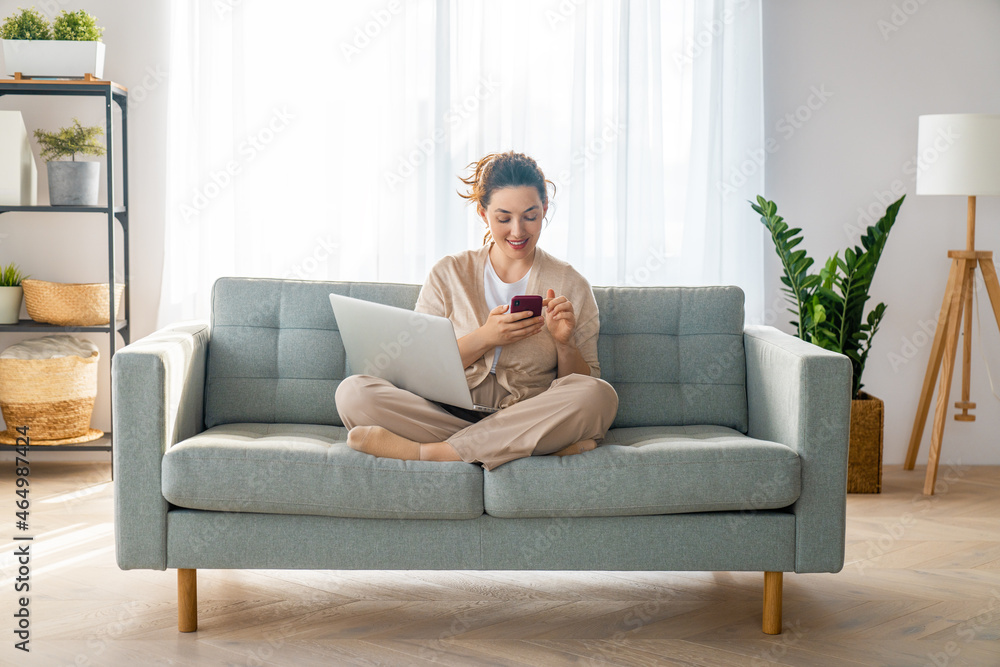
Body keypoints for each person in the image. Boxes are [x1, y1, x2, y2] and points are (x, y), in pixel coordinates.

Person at [336, 150, 619, 471]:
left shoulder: (571, 282)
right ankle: (532, 447)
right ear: (484, 214)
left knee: (599, 396)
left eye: (530, 216)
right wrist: (485, 337)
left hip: (528, 412)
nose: (517, 231)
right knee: (354, 393)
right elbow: (417, 372)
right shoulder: (449, 273)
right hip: (447, 413)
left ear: (545, 210)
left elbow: (581, 384)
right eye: (503, 218)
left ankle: (430, 453)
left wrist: (564, 343)